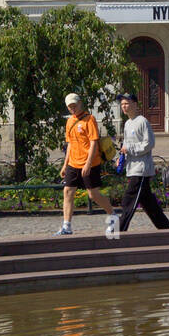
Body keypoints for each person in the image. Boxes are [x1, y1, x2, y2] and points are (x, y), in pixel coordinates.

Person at [56, 93, 117, 236]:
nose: (73, 108)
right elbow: (69, 144)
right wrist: (65, 164)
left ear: (80, 103)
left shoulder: (90, 119)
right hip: (73, 163)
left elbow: (94, 142)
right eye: (70, 106)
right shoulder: (70, 121)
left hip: (90, 162)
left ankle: (113, 215)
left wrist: (88, 163)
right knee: (68, 192)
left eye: (74, 105)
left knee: (93, 194)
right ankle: (67, 226)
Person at [117, 92, 169, 231]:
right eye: (122, 104)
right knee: (149, 204)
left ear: (135, 105)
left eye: (127, 103)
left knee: (128, 200)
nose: (124, 106)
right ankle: (166, 229)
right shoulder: (127, 124)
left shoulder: (142, 121)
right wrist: (121, 157)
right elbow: (126, 145)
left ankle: (117, 231)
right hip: (132, 167)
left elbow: (149, 144)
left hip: (141, 169)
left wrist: (129, 148)